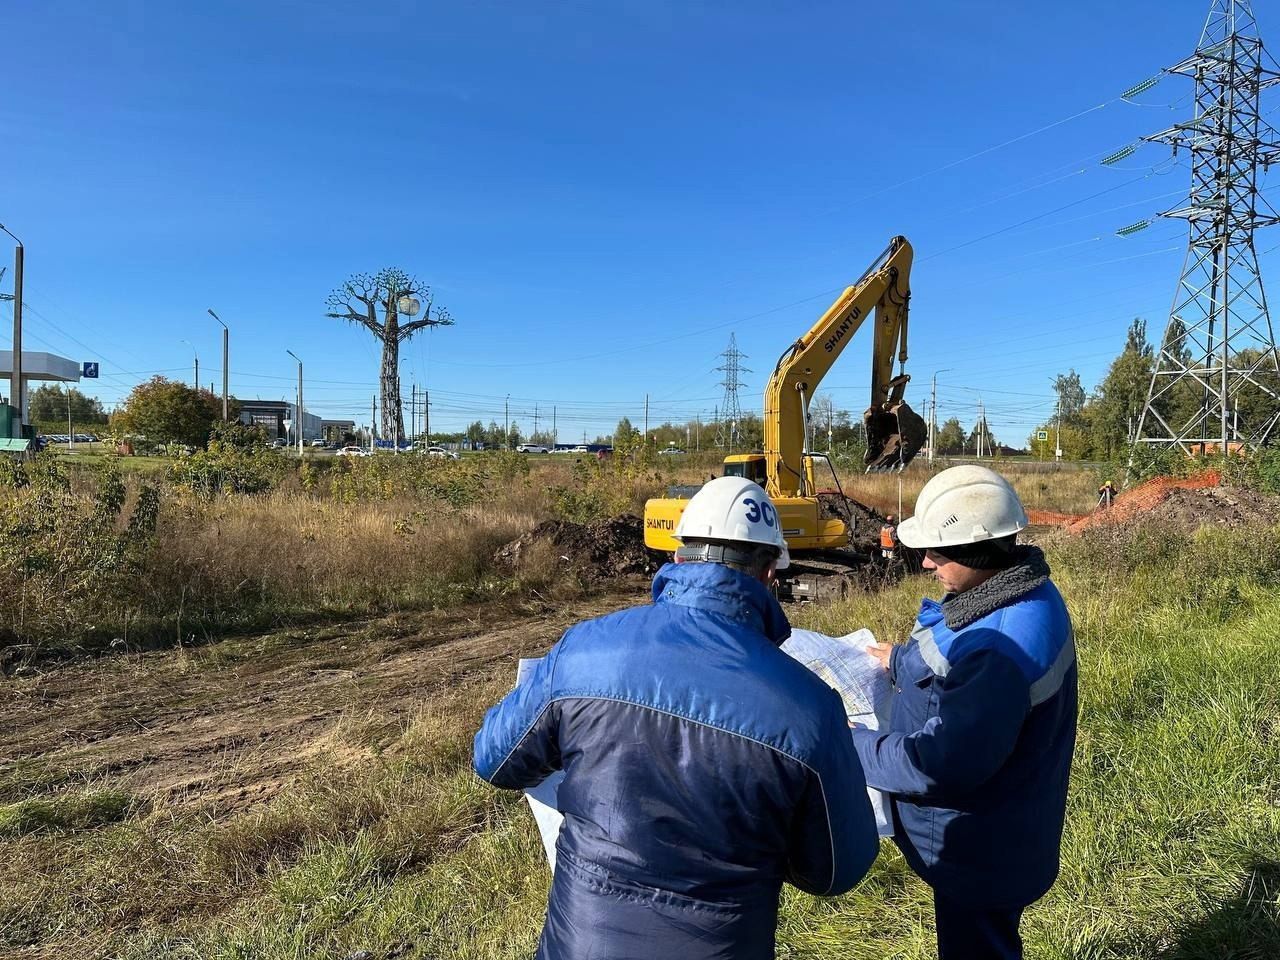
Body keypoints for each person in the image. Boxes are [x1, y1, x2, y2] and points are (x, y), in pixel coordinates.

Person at [473, 476, 880, 960]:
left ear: (676, 556)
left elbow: (494, 761)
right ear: (771, 572)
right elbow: (837, 870)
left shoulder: (582, 650)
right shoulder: (811, 708)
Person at [852, 465, 1077, 960]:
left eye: (938, 551)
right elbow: (954, 665)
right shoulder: (1020, 593)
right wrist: (899, 659)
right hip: (1004, 829)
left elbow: (939, 764)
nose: (927, 563)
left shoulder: (997, 650)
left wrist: (850, 744)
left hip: (980, 849)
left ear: (978, 550)